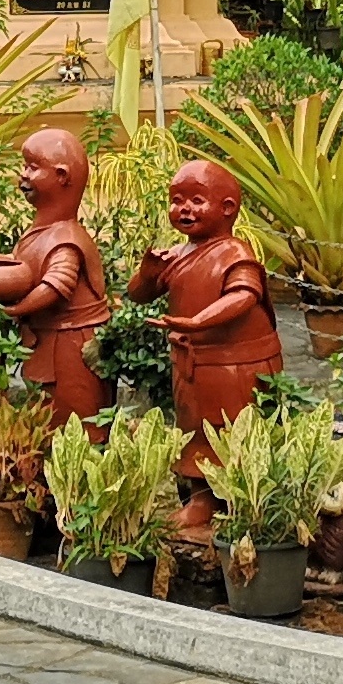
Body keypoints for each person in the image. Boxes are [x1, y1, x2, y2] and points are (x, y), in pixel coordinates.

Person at [126, 157, 284, 527]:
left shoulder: (235, 252)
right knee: (195, 433)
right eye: (177, 200)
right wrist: (148, 275)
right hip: (193, 366)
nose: (183, 209)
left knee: (234, 432)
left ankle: (244, 504)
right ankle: (202, 503)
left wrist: (197, 321)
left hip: (237, 367)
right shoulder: (179, 254)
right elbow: (137, 296)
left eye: (196, 200)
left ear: (227, 209)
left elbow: (244, 295)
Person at [0, 126, 114, 427]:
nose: (23, 175)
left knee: (77, 422)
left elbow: (55, 286)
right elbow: (26, 265)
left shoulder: (66, 237)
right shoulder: (42, 230)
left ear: (61, 176)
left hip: (71, 347)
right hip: (50, 343)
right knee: (47, 419)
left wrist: (13, 311)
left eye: (32, 168)